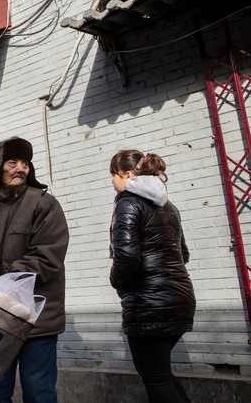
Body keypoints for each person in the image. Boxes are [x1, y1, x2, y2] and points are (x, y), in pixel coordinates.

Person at [0, 137, 69, 403]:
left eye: (25, 163)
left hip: (36, 320)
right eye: (12, 162)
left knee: (38, 393)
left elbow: (47, 256)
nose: (20, 169)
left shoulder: (44, 204)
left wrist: (5, 283)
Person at [108, 150, 195, 403]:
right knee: (162, 375)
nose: (113, 182)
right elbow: (183, 254)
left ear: (125, 174)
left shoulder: (128, 202)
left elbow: (126, 257)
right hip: (181, 298)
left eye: (113, 175)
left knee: (156, 379)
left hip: (148, 303)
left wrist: (117, 283)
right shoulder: (169, 206)